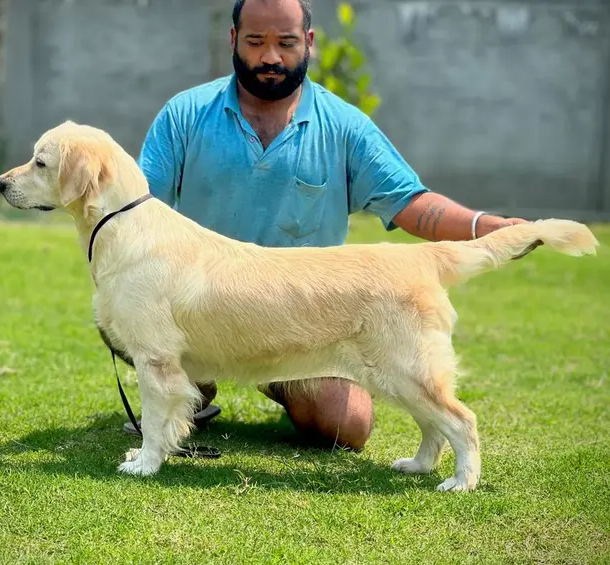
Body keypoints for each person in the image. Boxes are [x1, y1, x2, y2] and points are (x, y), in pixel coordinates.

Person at [131, 0, 528, 451]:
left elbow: (410, 203)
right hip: (202, 312)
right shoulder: (184, 114)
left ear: (310, 43)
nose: (270, 58)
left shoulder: (344, 125)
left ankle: (275, 380)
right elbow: (139, 207)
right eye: (255, 42)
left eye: (286, 43)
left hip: (305, 321)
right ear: (233, 39)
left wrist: (485, 227)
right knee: (125, 307)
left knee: (346, 427)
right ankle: (193, 391)